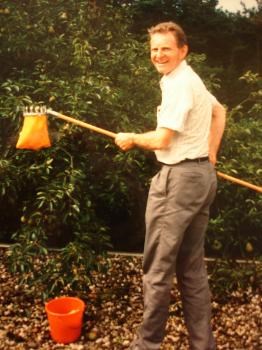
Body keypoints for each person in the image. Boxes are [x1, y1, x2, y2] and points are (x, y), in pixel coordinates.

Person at [115, 21, 226, 350]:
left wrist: (132, 138)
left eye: (166, 48)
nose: (159, 55)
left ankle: (146, 345)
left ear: (183, 50)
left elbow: (163, 138)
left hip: (178, 181)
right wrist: (211, 156)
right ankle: (203, 346)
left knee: (157, 270)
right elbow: (219, 113)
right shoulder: (190, 78)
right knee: (191, 269)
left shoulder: (179, 84)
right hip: (200, 177)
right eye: (154, 49)